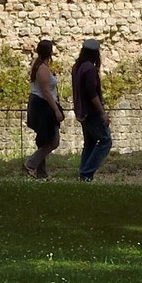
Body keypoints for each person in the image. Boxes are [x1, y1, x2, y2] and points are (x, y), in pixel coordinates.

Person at [72, 38, 113, 181]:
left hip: (82, 111)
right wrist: (102, 113)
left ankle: (84, 173)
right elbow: (92, 94)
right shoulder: (89, 68)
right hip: (91, 112)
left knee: (89, 143)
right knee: (105, 141)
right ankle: (86, 173)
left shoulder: (77, 66)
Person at [24, 38, 64, 177]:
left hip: (42, 104)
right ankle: (31, 163)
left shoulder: (40, 66)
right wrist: (56, 110)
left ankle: (42, 173)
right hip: (43, 106)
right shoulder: (42, 68)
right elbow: (46, 91)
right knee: (53, 140)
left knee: (44, 139)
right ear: (50, 52)